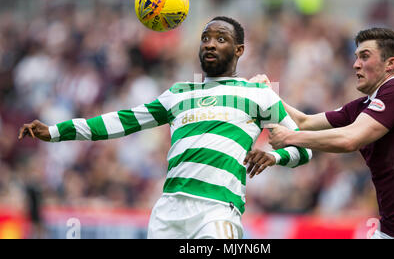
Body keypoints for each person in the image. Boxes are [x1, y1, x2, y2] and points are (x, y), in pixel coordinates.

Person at [18, 16, 312, 239]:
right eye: (205, 38)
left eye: (220, 39)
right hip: (167, 212)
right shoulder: (179, 93)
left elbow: (304, 149)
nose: (210, 43)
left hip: (217, 209)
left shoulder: (258, 94)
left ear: (239, 50)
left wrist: (274, 156)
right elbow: (122, 121)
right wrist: (56, 132)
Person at [246, 27, 394, 239]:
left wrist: (290, 138)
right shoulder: (362, 106)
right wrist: (268, 94)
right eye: (356, 57)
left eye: (365, 56)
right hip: (391, 229)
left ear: (390, 64)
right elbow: (303, 121)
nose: (356, 64)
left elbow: (350, 139)